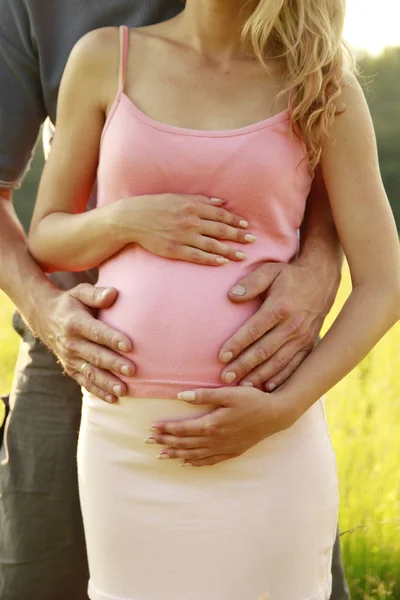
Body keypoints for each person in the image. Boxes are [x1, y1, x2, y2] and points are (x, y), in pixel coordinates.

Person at [26, 0, 400, 599]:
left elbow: (385, 283)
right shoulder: (104, 59)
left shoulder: (320, 83)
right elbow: (47, 237)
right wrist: (127, 220)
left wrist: (284, 410)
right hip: (127, 446)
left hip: (270, 441)